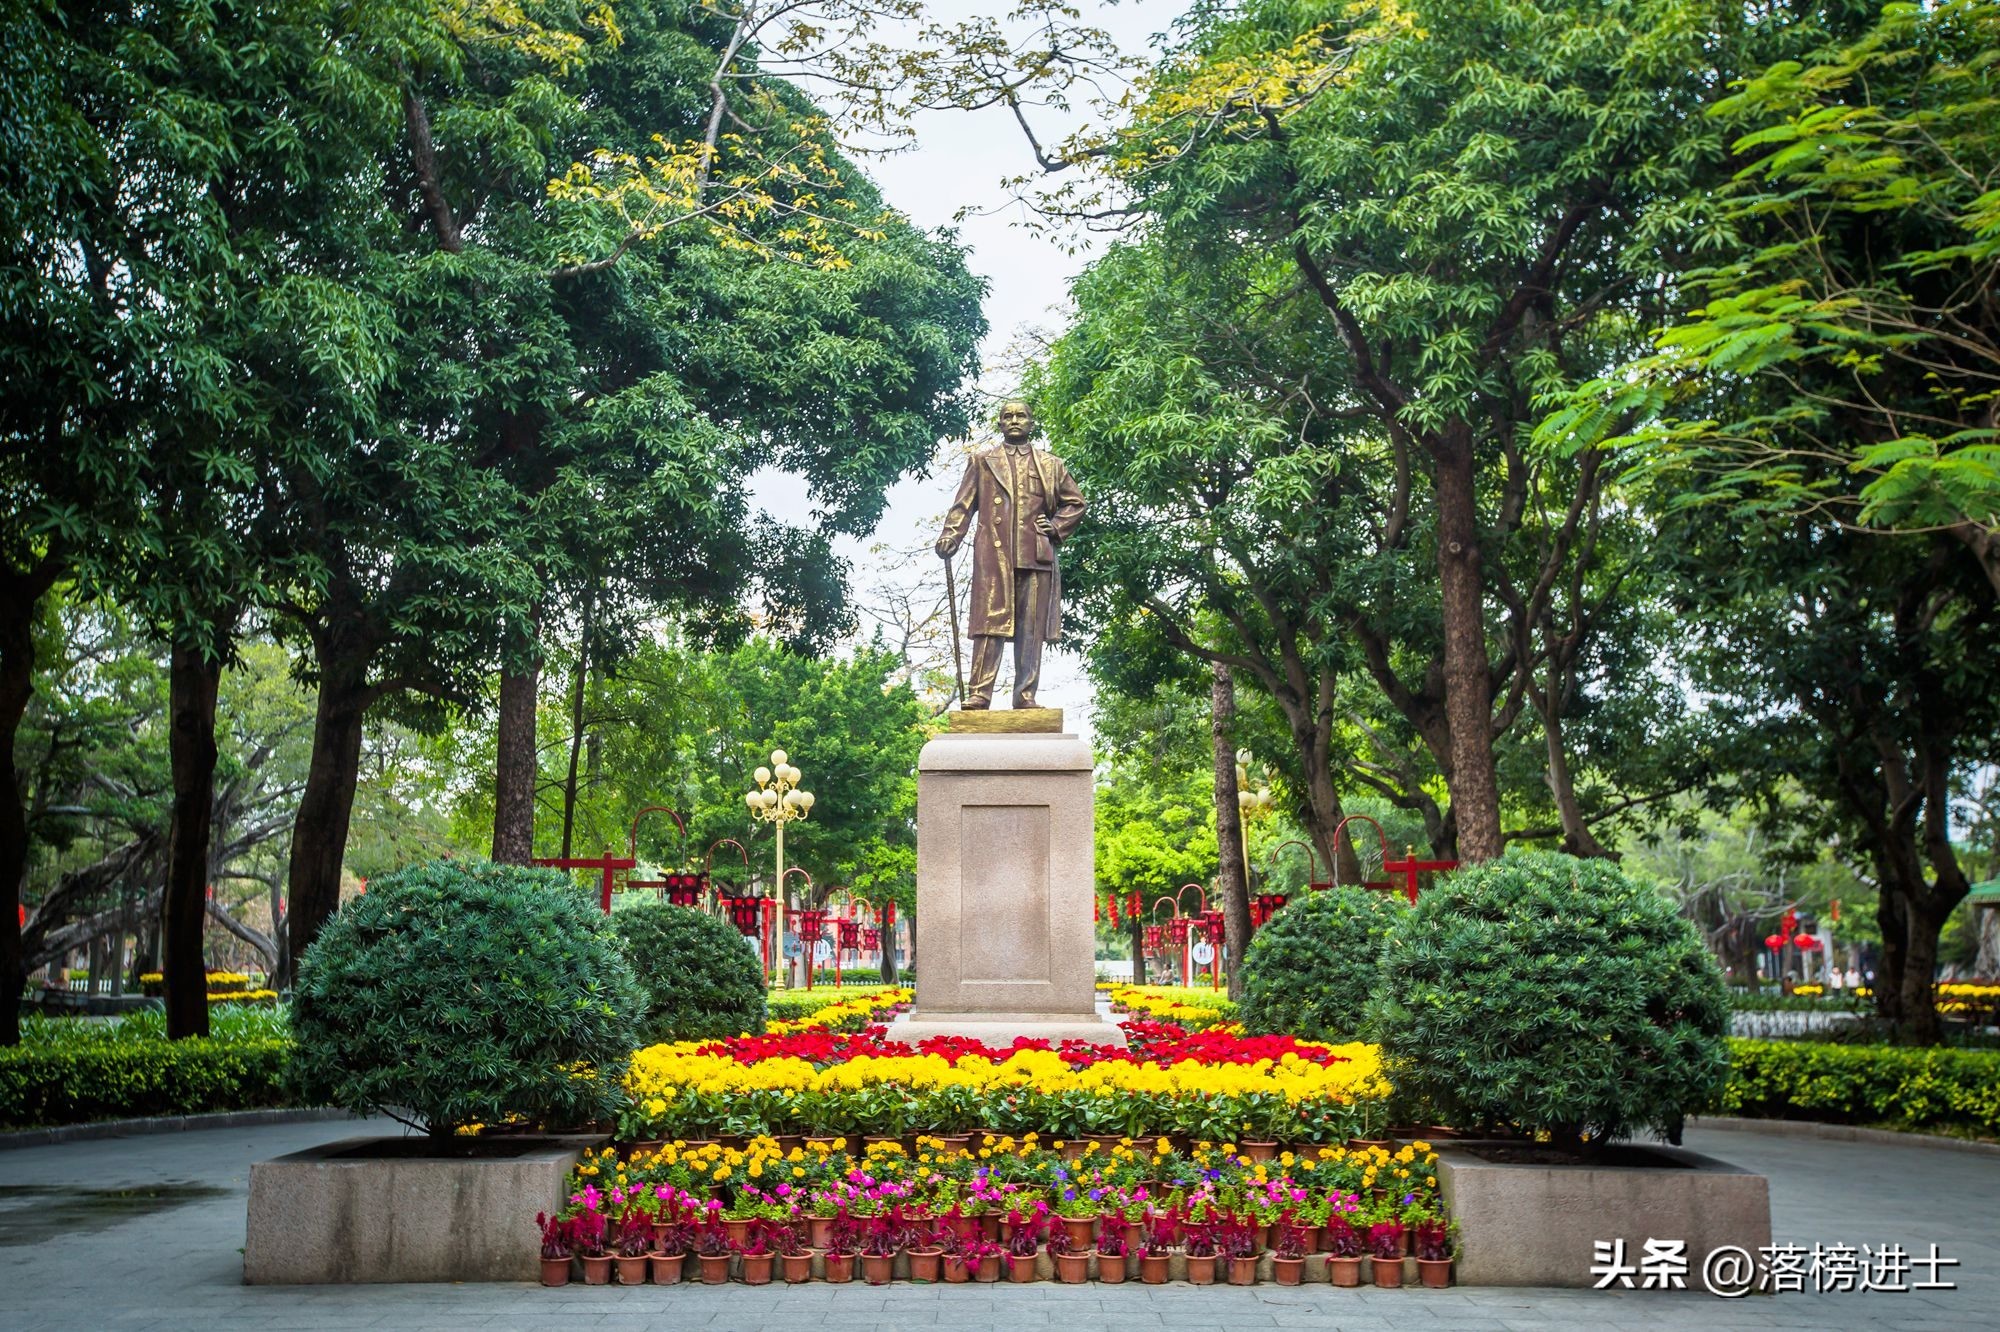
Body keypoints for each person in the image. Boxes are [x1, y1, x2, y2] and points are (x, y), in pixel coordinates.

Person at [934, 400, 1086, 709]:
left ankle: (1026, 694)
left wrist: (1056, 527)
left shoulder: (1051, 465)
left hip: (1035, 555)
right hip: (994, 555)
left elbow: (1076, 503)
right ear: (1000, 423)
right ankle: (979, 693)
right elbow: (963, 505)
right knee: (989, 624)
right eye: (1008, 416)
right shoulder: (982, 461)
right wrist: (951, 534)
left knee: (1031, 629)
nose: (1015, 420)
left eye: (1021, 416)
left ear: (1031, 423)